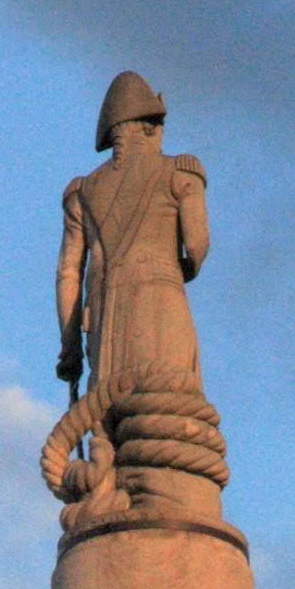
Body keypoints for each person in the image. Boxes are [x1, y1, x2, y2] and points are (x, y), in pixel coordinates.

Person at [56, 70, 209, 411]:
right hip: (162, 304)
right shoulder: (181, 171)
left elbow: (68, 272)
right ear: (149, 125)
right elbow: (198, 245)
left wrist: (71, 352)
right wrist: (184, 268)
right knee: (172, 413)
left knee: (106, 431)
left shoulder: (82, 192)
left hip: (103, 320)